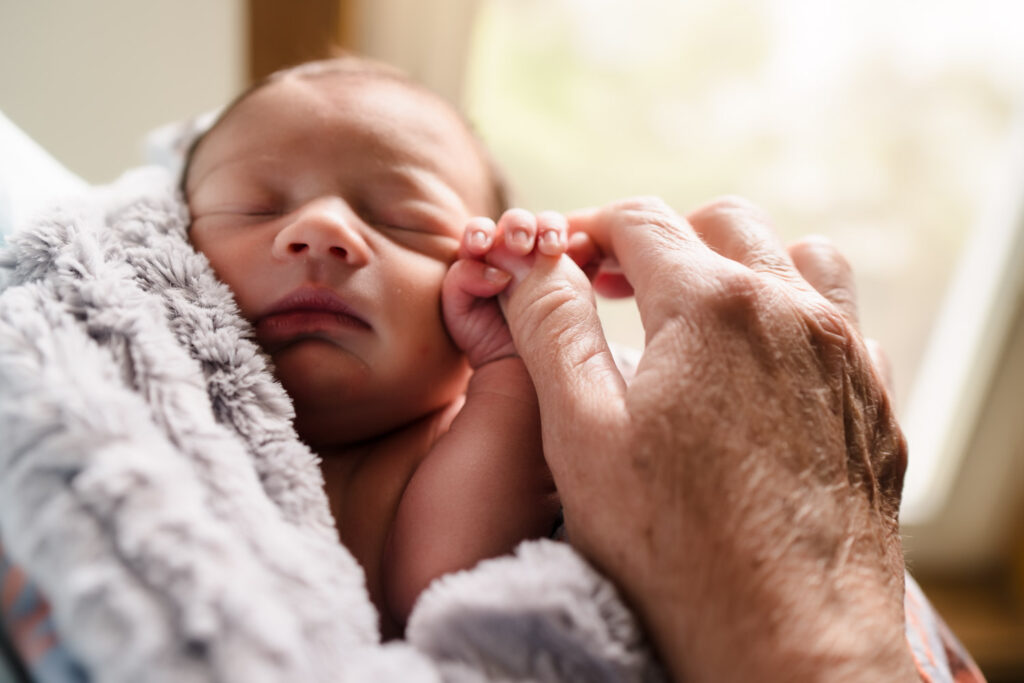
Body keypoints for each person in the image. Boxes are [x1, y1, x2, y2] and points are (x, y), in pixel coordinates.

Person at [182, 57, 577, 638]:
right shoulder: (150, 408)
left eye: (404, 221)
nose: (320, 229)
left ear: (485, 277)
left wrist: (510, 362)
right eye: (255, 207)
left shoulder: (468, 430)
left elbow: (448, 589)